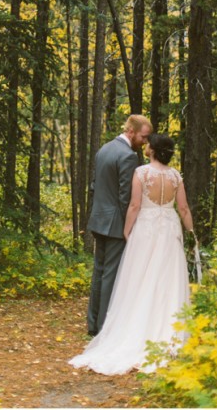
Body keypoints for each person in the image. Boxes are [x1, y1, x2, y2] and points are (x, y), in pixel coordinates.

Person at [70, 133, 194, 375]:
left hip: (146, 230)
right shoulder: (176, 176)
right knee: (166, 280)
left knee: (139, 278)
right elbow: (183, 208)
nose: (145, 146)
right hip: (169, 230)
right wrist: (192, 233)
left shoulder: (141, 173)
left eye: (149, 145)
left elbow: (135, 205)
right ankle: (168, 334)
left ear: (153, 151)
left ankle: (137, 330)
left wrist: (127, 230)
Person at [84, 114, 152, 336]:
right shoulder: (128, 156)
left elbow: (94, 185)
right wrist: (129, 227)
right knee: (110, 276)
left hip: (99, 219)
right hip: (115, 224)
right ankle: (105, 328)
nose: (145, 141)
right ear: (131, 131)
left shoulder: (104, 149)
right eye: (143, 136)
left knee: (99, 272)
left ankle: (93, 324)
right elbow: (126, 197)